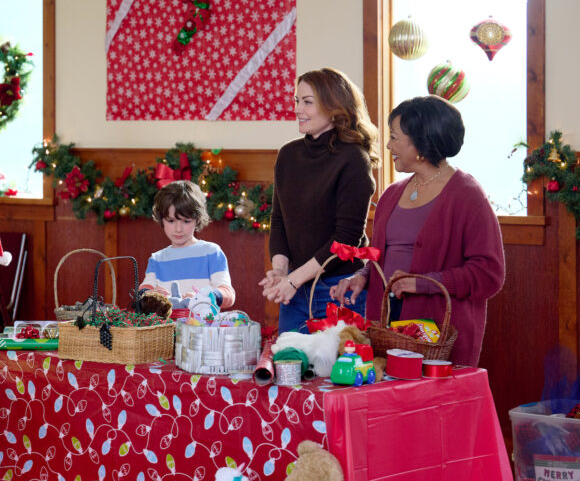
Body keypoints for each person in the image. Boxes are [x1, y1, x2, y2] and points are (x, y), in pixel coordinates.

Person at [330, 95, 505, 366]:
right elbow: (381, 258)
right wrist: (363, 276)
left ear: (422, 142)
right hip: (387, 330)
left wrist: (424, 282)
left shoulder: (468, 196)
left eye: (394, 137)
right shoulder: (392, 194)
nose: (388, 145)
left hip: (437, 340)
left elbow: (489, 275)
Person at [260, 68, 379, 333]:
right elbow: (279, 220)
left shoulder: (353, 159)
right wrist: (280, 272)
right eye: (296, 101)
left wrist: (293, 279)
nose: (298, 109)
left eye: (307, 102)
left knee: (337, 373)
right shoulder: (288, 155)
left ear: (334, 107)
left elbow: (345, 240)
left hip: (338, 288)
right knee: (289, 368)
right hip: (295, 288)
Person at [139, 180, 236, 309]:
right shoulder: (156, 259)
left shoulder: (211, 252)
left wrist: (205, 296)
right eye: (171, 220)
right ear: (161, 219)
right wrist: (149, 295)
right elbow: (143, 294)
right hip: (166, 329)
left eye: (186, 221)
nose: (178, 229)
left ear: (197, 219)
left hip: (202, 327)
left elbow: (228, 295)